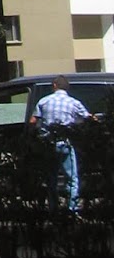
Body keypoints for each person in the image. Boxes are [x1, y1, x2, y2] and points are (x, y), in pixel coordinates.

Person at [29, 75, 93, 211]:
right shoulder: (74, 102)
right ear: (67, 87)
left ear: (54, 85)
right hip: (65, 143)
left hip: (48, 144)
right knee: (72, 178)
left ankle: (53, 208)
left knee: (51, 178)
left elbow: (33, 121)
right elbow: (88, 118)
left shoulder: (44, 101)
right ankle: (72, 209)